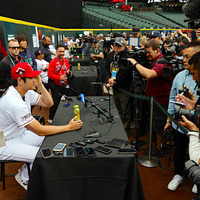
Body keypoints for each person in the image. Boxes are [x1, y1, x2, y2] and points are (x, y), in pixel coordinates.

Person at [0, 62, 83, 190]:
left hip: (19, 134)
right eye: (31, 78)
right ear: (20, 80)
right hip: (5, 143)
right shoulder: (13, 102)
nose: (35, 79)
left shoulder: (24, 91)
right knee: (43, 155)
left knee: (51, 141)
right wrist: (68, 127)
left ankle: (26, 166)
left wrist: (39, 85)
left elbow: (49, 103)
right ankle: (24, 177)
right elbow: (40, 130)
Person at [164, 41, 200, 192]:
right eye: (183, 56)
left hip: (197, 126)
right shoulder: (179, 76)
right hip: (179, 123)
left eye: (188, 57)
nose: (184, 60)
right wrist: (168, 119)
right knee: (179, 150)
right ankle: (178, 175)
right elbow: (172, 98)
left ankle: (197, 180)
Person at [128, 39, 172, 148]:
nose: (147, 55)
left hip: (160, 100)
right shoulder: (154, 60)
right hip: (153, 98)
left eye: (149, 52)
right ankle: (156, 146)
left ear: (157, 50)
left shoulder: (162, 61)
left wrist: (135, 63)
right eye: (146, 52)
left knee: (159, 126)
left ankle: (159, 149)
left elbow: (150, 74)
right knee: (153, 124)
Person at [105, 37, 133, 137]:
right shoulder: (111, 55)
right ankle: (119, 128)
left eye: (119, 47)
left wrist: (116, 81)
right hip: (113, 87)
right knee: (117, 110)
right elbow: (106, 68)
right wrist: (108, 78)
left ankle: (126, 131)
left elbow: (127, 73)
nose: (117, 48)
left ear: (124, 47)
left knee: (125, 110)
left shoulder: (127, 56)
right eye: (116, 46)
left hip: (124, 88)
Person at [48, 44, 72, 124]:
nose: (62, 53)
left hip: (64, 85)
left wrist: (68, 73)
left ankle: (63, 116)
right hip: (56, 85)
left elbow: (67, 70)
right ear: (57, 52)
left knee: (65, 101)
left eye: (63, 51)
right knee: (55, 102)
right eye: (60, 51)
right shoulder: (53, 61)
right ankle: (51, 117)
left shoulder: (66, 61)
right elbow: (49, 74)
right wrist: (59, 78)